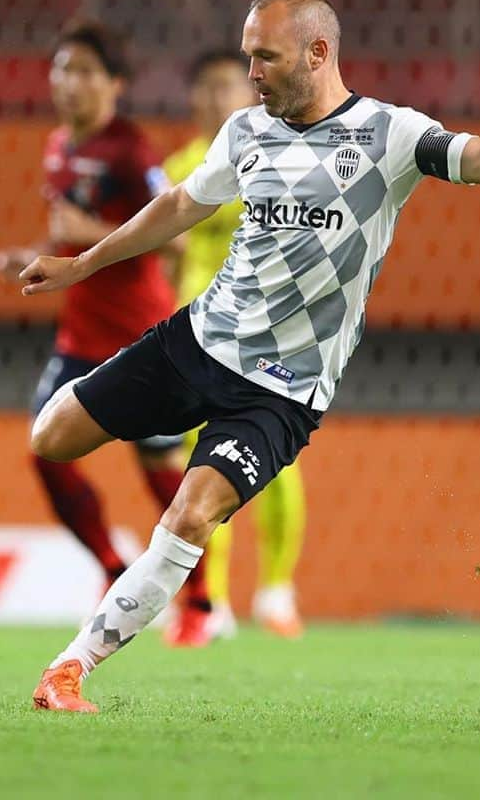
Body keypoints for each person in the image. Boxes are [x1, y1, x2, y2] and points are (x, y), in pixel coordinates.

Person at [14, 0, 480, 713]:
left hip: (282, 390)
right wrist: (84, 261)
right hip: (198, 341)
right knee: (51, 438)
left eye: (264, 57)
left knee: (190, 517)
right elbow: (181, 206)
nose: (251, 72)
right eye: (248, 55)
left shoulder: (391, 135)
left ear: (318, 53)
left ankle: (68, 670)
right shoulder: (248, 131)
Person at [0, 18, 213, 647]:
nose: (71, 83)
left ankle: (199, 600)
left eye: (87, 71)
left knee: (159, 463)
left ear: (115, 85)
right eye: (63, 68)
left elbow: (164, 231)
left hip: (138, 333)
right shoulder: (59, 144)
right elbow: (72, 231)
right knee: (45, 449)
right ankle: (111, 567)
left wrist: (83, 233)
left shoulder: (132, 152)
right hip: (78, 338)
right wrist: (36, 252)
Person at [164, 51, 308, 640]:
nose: (213, 98)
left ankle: (276, 590)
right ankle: (212, 601)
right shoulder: (180, 165)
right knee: (199, 464)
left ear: (249, 91)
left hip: (271, 329)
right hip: (200, 329)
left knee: (277, 463)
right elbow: (163, 241)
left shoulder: (286, 155)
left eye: (225, 85)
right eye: (203, 88)